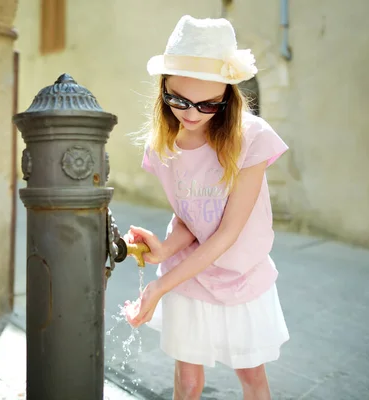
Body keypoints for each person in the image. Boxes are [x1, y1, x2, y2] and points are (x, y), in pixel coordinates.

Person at [123, 15, 290, 400]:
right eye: (179, 100)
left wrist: (159, 288)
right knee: (187, 381)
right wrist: (164, 250)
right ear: (163, 90)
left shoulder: (252, 138)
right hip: (190, 273)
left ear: (227, 97)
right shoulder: (161, 147)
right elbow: (191, 216)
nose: (192, 113)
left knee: (252, 378)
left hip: (240, 273)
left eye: (208, 104)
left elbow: (227, 233)